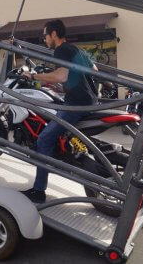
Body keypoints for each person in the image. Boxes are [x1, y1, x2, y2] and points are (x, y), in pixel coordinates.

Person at [22, 19, 98, 203]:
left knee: (44, 139)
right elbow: (94, 69)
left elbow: (61, 76)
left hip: (76, 103)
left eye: (45, 35)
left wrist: (33, 76)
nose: (44, 39)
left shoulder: (61, 50)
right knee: (53, 126)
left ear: (54, 34)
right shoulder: (76, 49)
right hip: (89, 100)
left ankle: (39, 191)